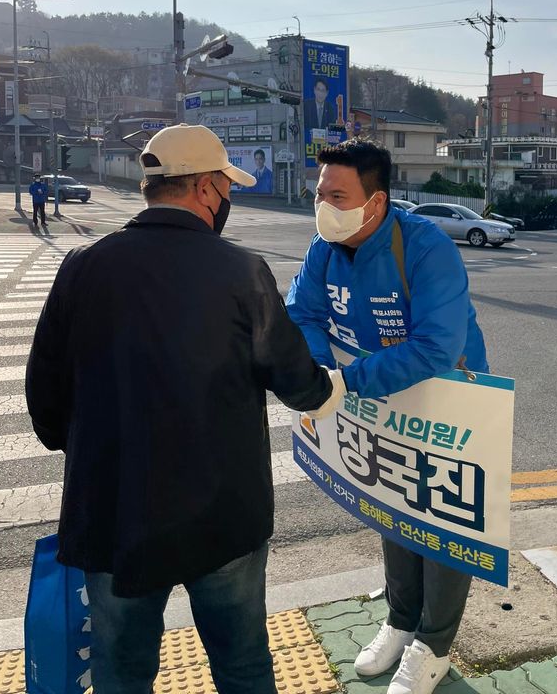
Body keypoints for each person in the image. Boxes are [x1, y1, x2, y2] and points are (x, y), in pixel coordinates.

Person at [26, 124, 339, 694]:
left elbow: (44, 398)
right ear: (204, 190)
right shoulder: (241, 271)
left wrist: (92, 447)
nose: (228, 201)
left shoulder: (82, 266)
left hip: (114, 516)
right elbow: (295, 380)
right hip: (223, 515)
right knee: (242, 666)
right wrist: (329, 391)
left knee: (120, 672)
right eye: (226, 188)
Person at [286, 138, 489, 694]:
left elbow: (435, 349)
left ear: (374, 203)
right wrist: (323, 370)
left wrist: (344, 381)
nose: (322, 204)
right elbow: (300, 312)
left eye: (337, 194)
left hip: (447, 399)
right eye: (320, 192)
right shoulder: (324, 245)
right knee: (392, 503)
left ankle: (434, 645)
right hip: (376, 395)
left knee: (443, 519)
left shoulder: (425, 248)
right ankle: (402, 621)